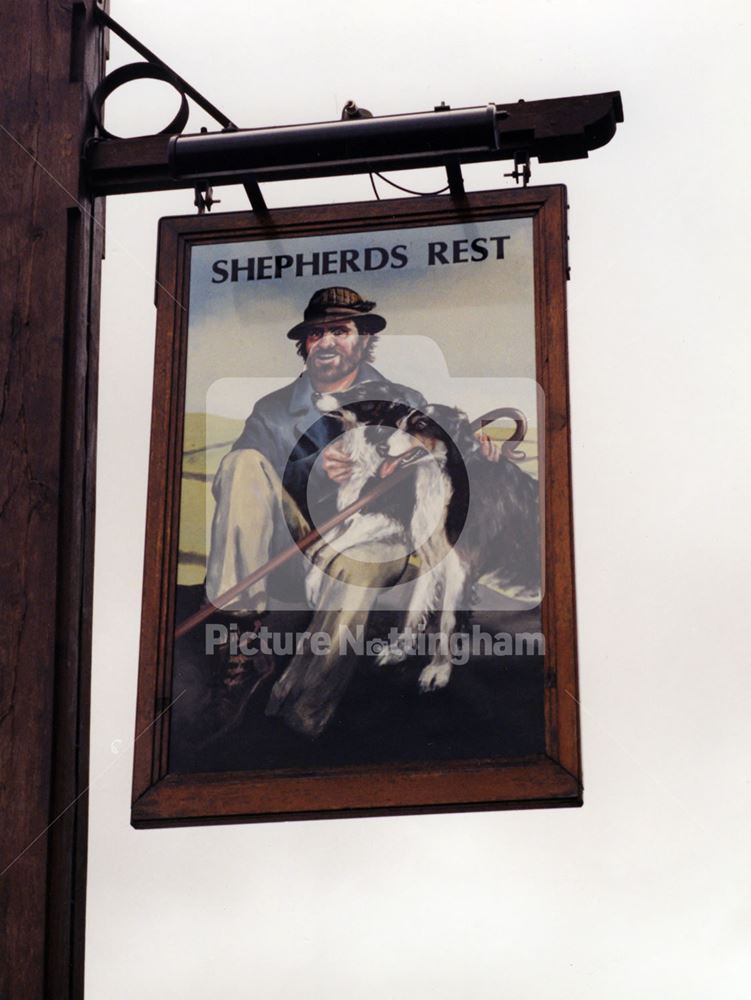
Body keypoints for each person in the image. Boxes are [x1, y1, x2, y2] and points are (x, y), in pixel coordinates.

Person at [205, 287, 426, 737]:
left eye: (340, 331)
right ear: (304, 345)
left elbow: (431, 475)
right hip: (294, 545)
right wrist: (312, 469)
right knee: (242, 462)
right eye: (316, 333)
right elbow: (233, 484)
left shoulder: (403, 399)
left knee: (365, 559)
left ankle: (300, 719)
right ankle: (244, 635)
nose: (326, 342)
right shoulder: (271, 410)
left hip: (372, 536)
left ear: (363, 340)